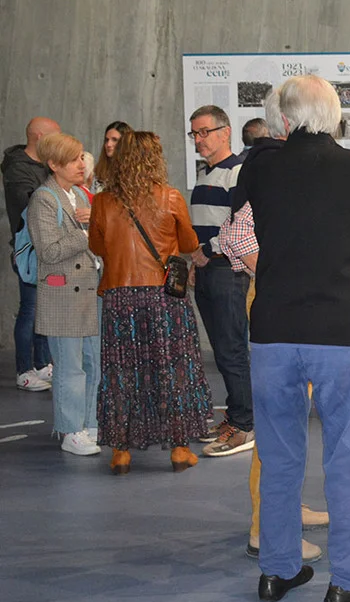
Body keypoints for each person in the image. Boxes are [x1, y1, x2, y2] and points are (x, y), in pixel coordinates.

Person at [241, 74, 350, 602]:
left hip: (273, 331)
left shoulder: (260, 167)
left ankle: (277, 569)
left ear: (284, 118)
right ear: (334, 116)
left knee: (279, 456)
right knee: (346, 458)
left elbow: (250, 233)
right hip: (340, 332)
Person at [219, 88, 327, 564]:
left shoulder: (281, 165)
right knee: (277, 421)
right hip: (279, 305)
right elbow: (236, 233)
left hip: (294, 304)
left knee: (291, 418)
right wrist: (274, 272)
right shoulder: (272, 167)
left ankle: (287, 508)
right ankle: (266, 527)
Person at [89, 131, 213, 474]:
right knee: (173, 369)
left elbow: (97, 247)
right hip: (163, 297)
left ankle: (121, 452)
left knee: (121, 372)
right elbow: (187, 243)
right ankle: (179, 449)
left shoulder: (103, 201)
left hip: (120, 296)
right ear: (154, 160)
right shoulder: (170, 197)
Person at [187, 105, 255, 457]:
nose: (199, 140)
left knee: (232, 350)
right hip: (206, 269)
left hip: (228, 271)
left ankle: (246, 426)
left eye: (204, 132)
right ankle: (235, 416)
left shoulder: (238, 172)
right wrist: (196, 260)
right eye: (194, 134)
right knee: (222, 350)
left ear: (225, 132)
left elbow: (241, 224)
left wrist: (207, 250)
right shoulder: (204, 174)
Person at [27, 134, 100, 456]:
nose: (81, 165)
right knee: (70, 368)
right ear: (54, 165)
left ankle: (91, 423)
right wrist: (86, 232)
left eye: (81, 157)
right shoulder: (44, 199)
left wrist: (96, 226)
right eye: (72, 160)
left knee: (94, 363)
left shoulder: (80, 195)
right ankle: (71, 430)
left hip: (90, 292)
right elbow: (49, 250)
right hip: (62, 296)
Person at [4, 117, 60, 391]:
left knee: (45, 308)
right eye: (55, 136)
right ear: (40, 137)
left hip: (48, 248)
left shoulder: (45, 167)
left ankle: (42, 364)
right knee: (29, 309)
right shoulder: (17, 169)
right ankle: (24, 370)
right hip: (29, 250)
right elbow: (33, 205)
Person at [92, 121, 131, 192]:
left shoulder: (134, 173)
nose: (108, 144)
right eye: (107, 140)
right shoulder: (98, 173)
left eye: (114, 140)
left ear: (126, 143)